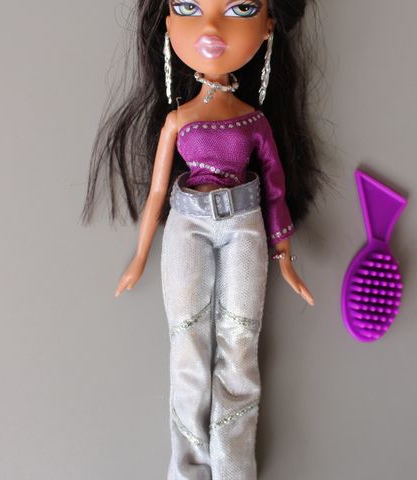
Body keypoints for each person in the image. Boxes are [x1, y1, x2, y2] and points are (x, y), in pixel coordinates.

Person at [81, 0, 329, 478]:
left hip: (245, 226)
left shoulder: (254, 122)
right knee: (188, 347)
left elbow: (274, 186)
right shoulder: (178, 120)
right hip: (188, 223)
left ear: (268, 27)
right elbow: (157, 192)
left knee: (240, 344)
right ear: (168, 23)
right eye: (188, 6)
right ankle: (189, 467)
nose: (211, 27)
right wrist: (140, 255)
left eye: (240, 8)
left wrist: (285, 255)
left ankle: (234, 466)